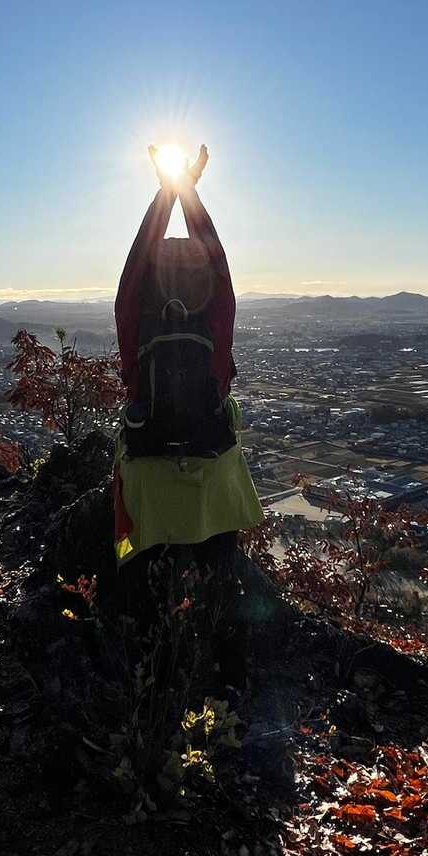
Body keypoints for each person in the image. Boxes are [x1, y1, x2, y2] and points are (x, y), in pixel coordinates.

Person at [112, 145, 264, 683]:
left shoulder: (136, 321)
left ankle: (141, 665)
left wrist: (166, 191)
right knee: (219, 567)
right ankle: (227, 670)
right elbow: (218, 262)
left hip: (147, 473)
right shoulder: (217, 322)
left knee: (135, 561)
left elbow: (134, 267)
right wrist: (190, 191)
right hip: (212, 474)